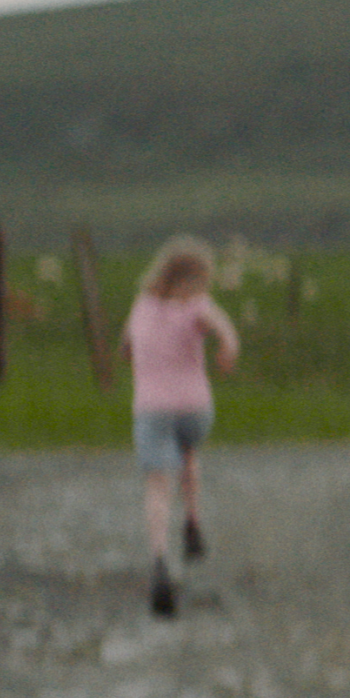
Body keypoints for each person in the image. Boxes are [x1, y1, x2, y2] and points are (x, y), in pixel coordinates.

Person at [121, 236, 239, 617]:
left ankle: (160, 561)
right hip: (194, 406)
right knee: (188, 453)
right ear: (197, 277)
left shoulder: (141, 306)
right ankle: (192, 522)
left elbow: (126, 348)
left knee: (158, 485)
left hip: (152, 409)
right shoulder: (197, 306)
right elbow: (223, 328)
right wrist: (227, 347)